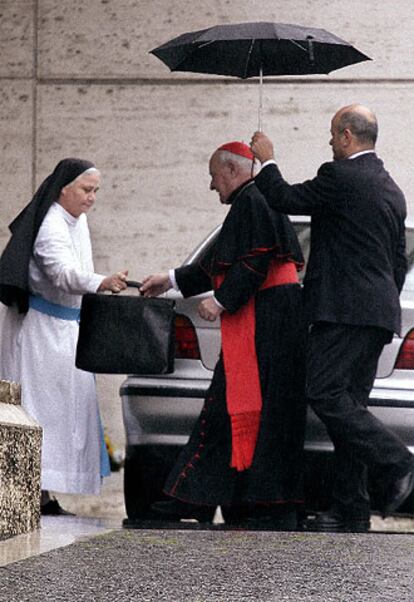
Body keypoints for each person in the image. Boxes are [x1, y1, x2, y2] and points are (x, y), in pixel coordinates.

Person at [250, 104, 414, 533]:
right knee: (350, 407)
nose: (328, 142)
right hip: (376, 314)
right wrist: (379, 303)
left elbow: (284, 198)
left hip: (342, 312)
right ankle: (351, 508)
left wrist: (266, 158)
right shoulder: (391, 189)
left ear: (346, 135)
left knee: (322, 392)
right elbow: (397, 261)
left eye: (330, 134)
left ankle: (398, 460)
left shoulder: (339, 176)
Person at [140, 141, 306, 529]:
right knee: (251, 412)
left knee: (227, 407)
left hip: (266, 321)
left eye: (214, 176)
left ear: (232, 170)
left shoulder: (254, 198)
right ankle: (250, 502)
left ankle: (198, 498)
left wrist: (223, 300)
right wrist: (169, 279)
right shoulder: (252, 199)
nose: (212, 186)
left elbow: (255, 259)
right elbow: (217, 264)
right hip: (273, 318)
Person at [0, 158, 128, 515]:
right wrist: (99, 282)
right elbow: (61, 273)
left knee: (65, 416)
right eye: (87, 190)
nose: (92, 198)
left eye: (96, 191)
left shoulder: (77, 221)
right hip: (42, 333)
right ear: (63, 189)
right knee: (43, 414)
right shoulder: (50, 224)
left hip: (66, 331)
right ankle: (32, 491)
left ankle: (45, 492)